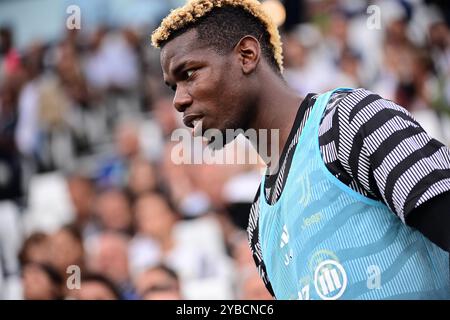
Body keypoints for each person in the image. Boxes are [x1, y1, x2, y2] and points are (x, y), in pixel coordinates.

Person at [151, 0, 450, 300]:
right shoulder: (258, 223)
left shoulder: (348, 120)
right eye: (172, 86)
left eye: (188, 73)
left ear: (246, 55)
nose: (178, 100)